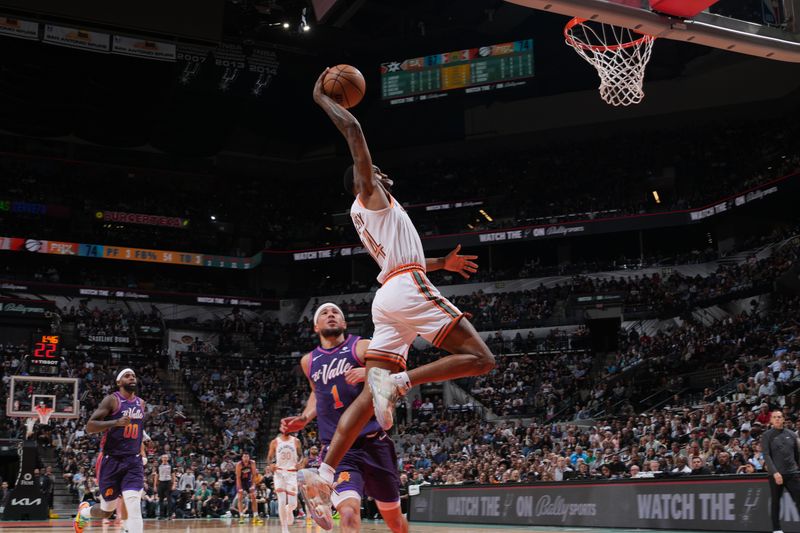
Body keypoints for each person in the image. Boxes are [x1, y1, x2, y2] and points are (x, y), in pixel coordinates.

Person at [301, 67, 496, 529]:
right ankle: (404, 383)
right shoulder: (369, 194)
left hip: (389, 293)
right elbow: (354, 129)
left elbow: (400, 260)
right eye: (373, 173)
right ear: (363, 181)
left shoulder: (370, 213)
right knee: (481, 358)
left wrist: (440, 266)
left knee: (368, 398)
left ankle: (325, 473)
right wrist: (322, 97)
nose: (381, 176)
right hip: (404, 289)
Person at [285, 303, 408, 532]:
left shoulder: (361, 346)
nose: (330, 315)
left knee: (395, 521)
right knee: (348, 513)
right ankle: (322, 488)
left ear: (344, 324)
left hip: (374, 443)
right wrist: (305, 417)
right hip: (339, 449)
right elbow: (317, 392)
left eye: (336, 313)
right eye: (324, 313)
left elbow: (394, 371)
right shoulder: (308, 361)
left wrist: (370, 371)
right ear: (315, 326)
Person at [73, 369, 145, 533]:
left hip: (133, 461)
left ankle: (129, 529)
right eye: (127, 376)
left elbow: (139, 430)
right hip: (111, 460)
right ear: (119, 382)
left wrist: (143, 449)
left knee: (133, 502)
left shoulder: (141, 403)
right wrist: (115, 422)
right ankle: (84, 512)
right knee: (107, 510)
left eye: (134, 375)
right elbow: (90, 426)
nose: (132, 377)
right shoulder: (112, 400)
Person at [763, 410, 800, 533]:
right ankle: (777, 529)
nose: (777, 419)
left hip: (792, 473)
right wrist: (774, 472)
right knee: (775, 502)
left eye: (779, 417)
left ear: (783, 419)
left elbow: (797, 455)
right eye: (775, 417)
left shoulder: (793, 435)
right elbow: (766, 455)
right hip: (775, 475)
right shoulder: (767, 435)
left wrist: (797, 469)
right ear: (771, 420)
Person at [267, 432, 304, 533]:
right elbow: (269, 458)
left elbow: (301, 456)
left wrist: (299, 463)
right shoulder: (275, 442)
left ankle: (289, 510)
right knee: (281, 501)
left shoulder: (296, 441)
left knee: (293, 504)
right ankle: (284, 529)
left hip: (292, 473)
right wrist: (271, 465)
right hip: (279, 473)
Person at [235, 452, 263, 524]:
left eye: (247, 457)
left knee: (253, 496)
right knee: (240, 497)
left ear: (249, 457)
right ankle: (241, 516)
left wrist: (253, 485)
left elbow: (254, 475)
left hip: (249, 481)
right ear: (242, 458)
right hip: (241, 481)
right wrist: (240, 488)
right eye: (244, 457)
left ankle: (255, 516)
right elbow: (238, 477)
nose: (246, 458)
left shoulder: (252, 463)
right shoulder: (239, 464)